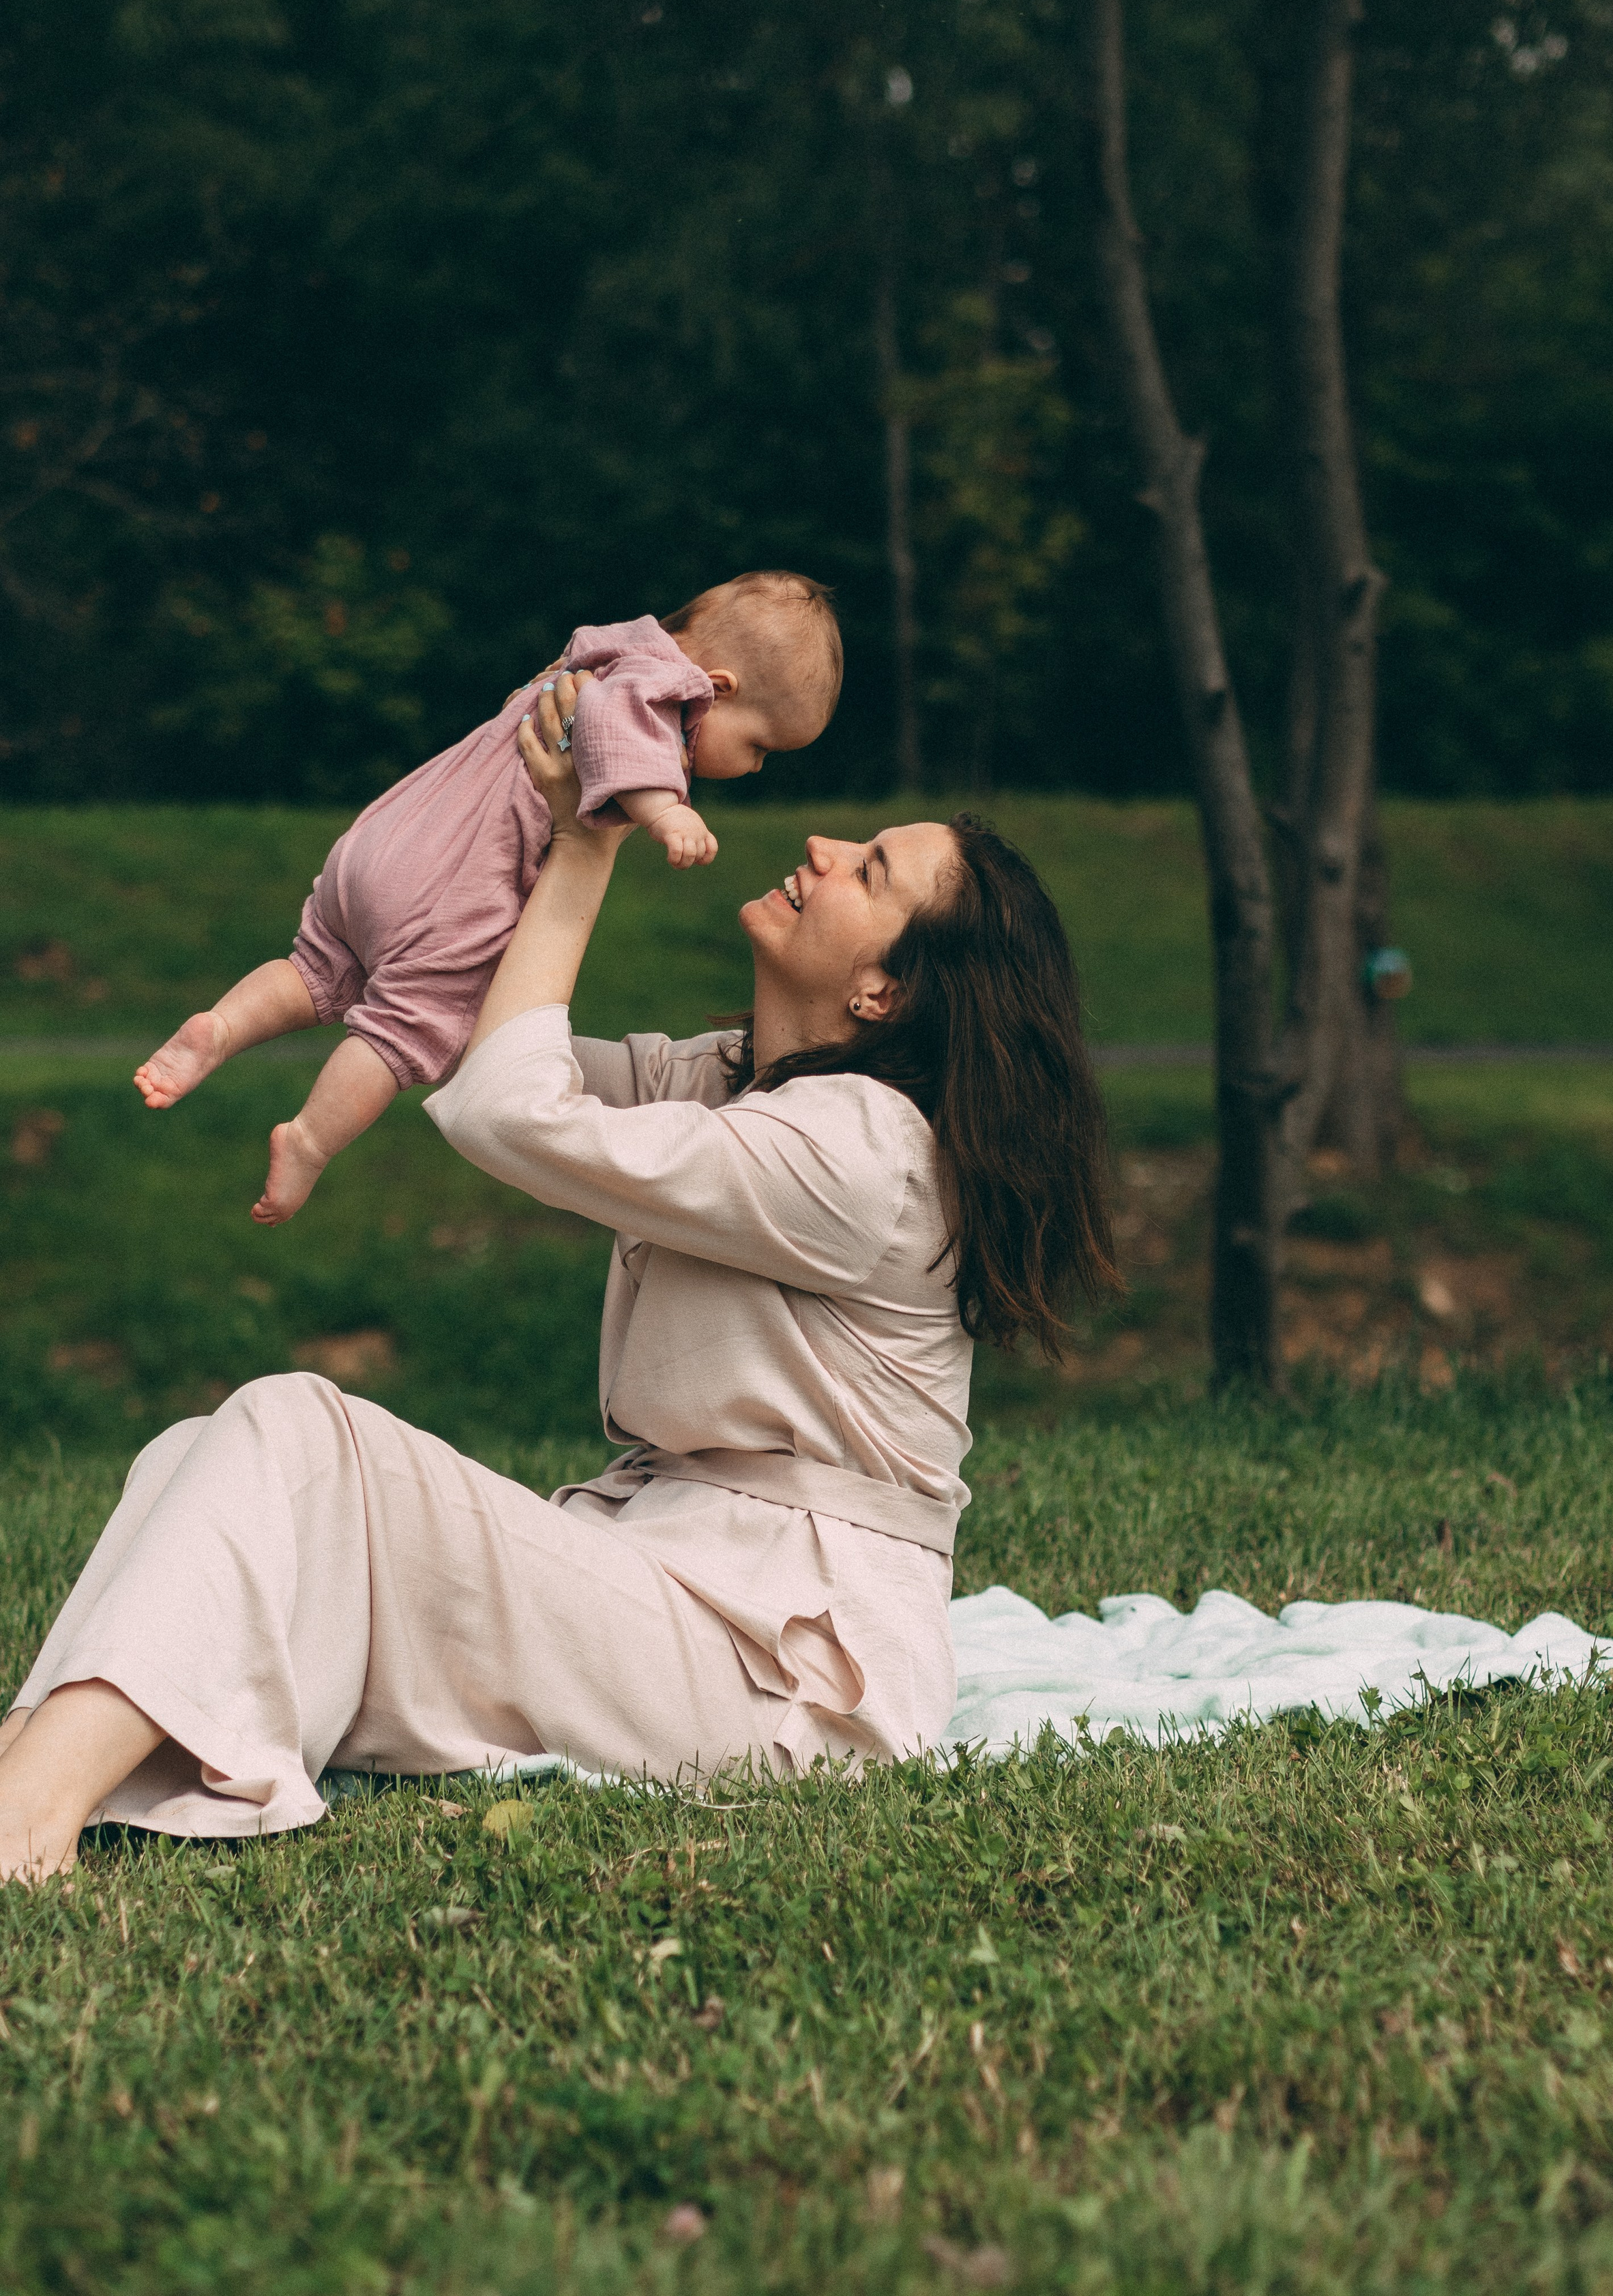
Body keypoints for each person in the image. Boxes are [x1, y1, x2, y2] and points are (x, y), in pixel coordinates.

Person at [0, 674, 1118, 1883]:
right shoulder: (735, 1082)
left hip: (783, 1685)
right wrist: (510, 825)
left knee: (298, 1430)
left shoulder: (865, 1149)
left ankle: (25, 1821)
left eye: (873, 871)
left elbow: (504, 1107)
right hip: (666, 1593)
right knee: (201, 1453)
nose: (824, 846)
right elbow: (484, 1048)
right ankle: (35, 1757)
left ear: (884, 989)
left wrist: (589, 847)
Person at [133, 570, 842, 1225]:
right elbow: (617, 736)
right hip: (451, 880)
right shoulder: (659, 688)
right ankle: (312, 1138)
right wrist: (666, 812)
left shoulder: (607, 650)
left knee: (319, 968)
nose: (751, 767)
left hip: (393, 833)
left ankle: (219, 1029)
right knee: (411, 1025)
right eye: (760, 746)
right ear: (717, 687)